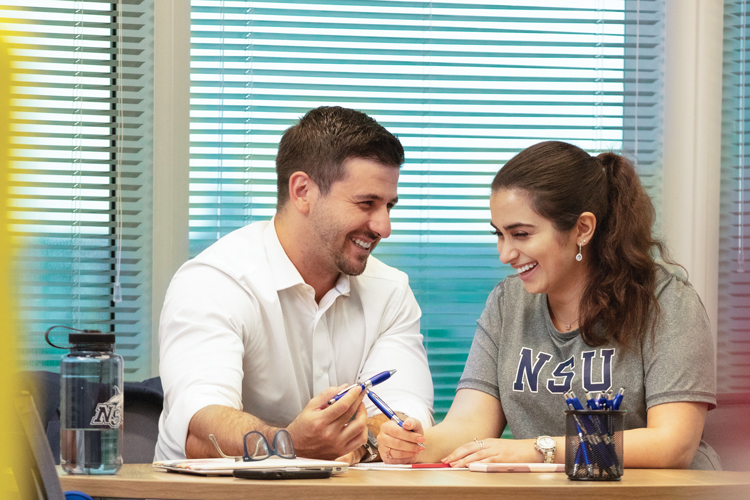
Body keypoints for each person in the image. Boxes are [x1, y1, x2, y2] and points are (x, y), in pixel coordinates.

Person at [377, 140, 720, 470]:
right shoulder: (507, 302)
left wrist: (538, 449)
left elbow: (673, 444)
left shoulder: (666, 301)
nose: (505, 254)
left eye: (521, 234)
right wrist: (415, 443)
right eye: (499, 234)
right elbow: (469, 426)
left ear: (583, 229)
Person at [154, 106, 434, 464]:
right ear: (302, 190)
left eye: (389, 206)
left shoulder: (391, 291)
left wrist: (367, 442)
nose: (383, 227)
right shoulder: (214, 281)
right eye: (367, 203)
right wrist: (289, 444)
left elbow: (405, 415)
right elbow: (201, 430)